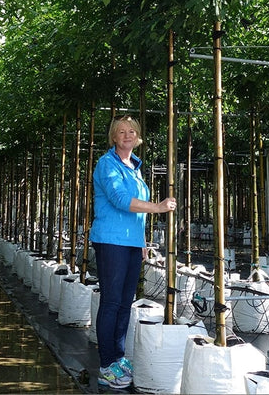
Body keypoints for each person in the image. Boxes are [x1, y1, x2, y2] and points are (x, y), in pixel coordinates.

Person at [90, 115, 177, 390]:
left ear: (137, 137)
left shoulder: (135, 167)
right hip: (111, 241)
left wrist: (141, 241)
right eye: (121, 131)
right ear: (114, 137)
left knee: (125, 302)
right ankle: (107, 365)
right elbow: (118, 200)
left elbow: (136, 216)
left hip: (130, 243)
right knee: (112, 302)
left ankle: (118, 357)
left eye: (131, 131)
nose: (127, 135)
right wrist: (159, 207)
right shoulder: (107, 164)